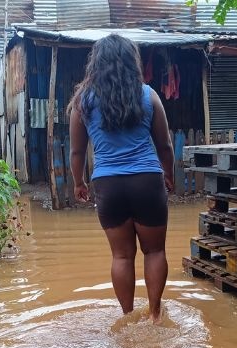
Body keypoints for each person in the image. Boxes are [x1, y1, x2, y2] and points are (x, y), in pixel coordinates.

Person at [68, 34, 175, 324]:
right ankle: (154, 314)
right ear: (132, 62)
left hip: (108, 184)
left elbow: (77, 150)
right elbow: (164, 145)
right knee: (154, 250)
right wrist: (169, 175)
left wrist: (78, 182)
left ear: (96, 64)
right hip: (146, 181)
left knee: (122, 257)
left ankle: (127, 317)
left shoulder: (83, 102)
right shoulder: (148, 95)